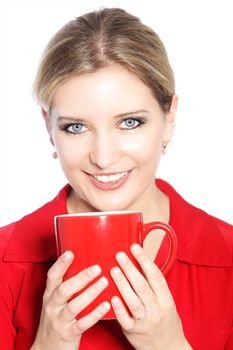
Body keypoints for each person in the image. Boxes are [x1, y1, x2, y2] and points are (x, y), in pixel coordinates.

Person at [0, 7, 232, 350]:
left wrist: (170, 344)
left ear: (169, 119)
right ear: (49, 128)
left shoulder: (226, 257)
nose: (104, 158)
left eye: (129, 122)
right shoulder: (7, 260)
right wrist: (48, 344)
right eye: (76, 127)